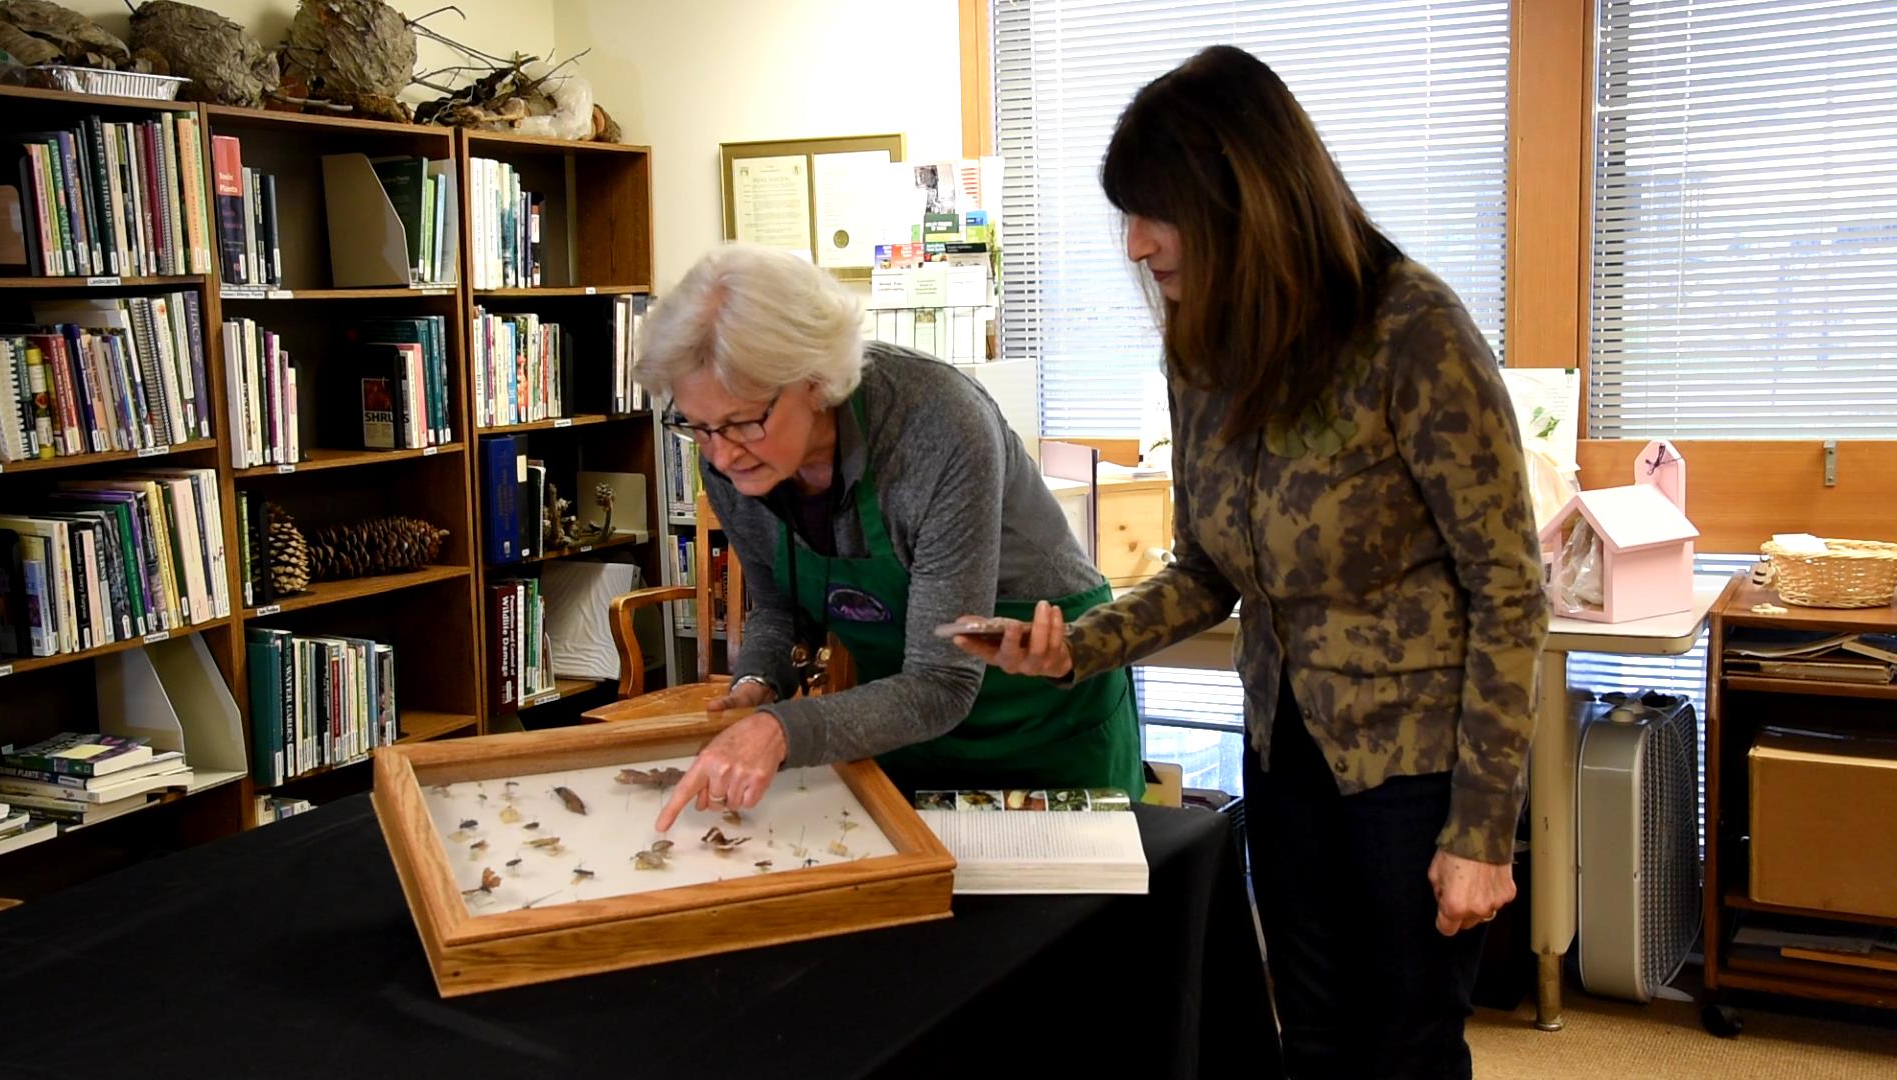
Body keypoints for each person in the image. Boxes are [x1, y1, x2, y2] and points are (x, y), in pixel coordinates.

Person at [953, 45, 1547, 1079]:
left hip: (1415, 768)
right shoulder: (1204, 349)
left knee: (1402, 1048)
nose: (1135, 245)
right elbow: (1206, 570)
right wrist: (1074, 647)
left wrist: (1484, 830)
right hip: (1285, 752)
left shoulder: (1413, 331)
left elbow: (1508, 589)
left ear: (1245, 198)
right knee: (1311, 1038)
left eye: (1152, 212)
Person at [634, 244, 1143, 832]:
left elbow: (944, 682)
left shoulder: (939, 425)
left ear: (815, 381)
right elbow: (781, 608)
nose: (721, 454)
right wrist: (756, 683)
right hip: (909, 722)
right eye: (698, 427)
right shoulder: (729, 456)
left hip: (1041, 717)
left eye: (745, 422)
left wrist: (781, 731)